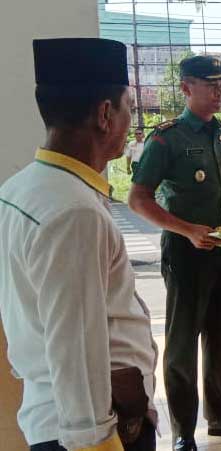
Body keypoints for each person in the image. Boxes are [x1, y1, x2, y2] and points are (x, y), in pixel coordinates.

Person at [0, 38, 157, 451]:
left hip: (58, 415)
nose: (131, 121)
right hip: (90, 430)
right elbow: (78, 350)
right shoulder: (74, 211)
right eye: (129, 108)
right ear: (106, 114)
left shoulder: (24, 186)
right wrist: (97, 442)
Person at [128, 55, 221, 451]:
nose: (218, 92)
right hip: (185, 252)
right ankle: (183, 430)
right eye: (210, 84)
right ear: (185, 88)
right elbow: (138, 199)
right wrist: (187, 230)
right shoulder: (167, 138)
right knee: (182, 343)